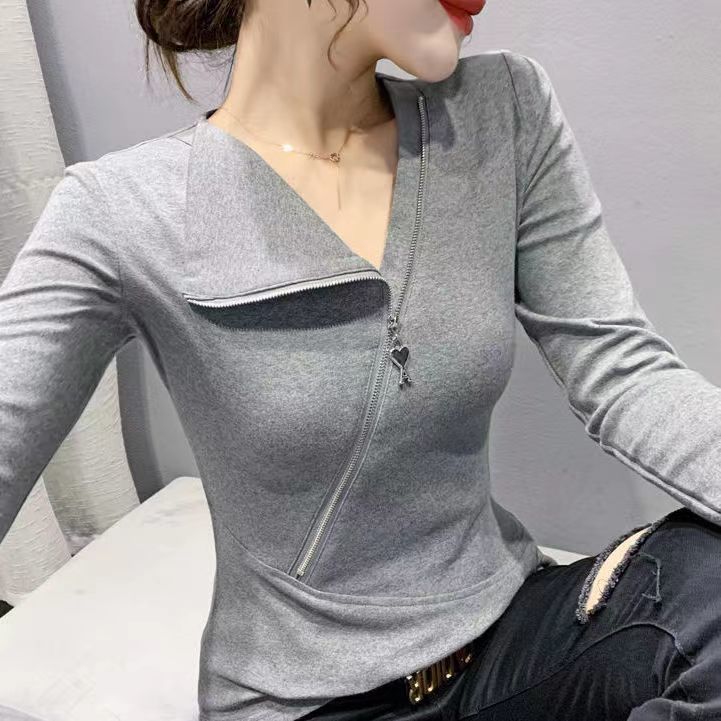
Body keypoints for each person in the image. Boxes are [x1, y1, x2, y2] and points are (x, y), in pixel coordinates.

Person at [1, 1, 720, 719]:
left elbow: (624, 371)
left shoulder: (502, 110)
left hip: (513, 641)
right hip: (310, 701)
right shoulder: (124, 210)